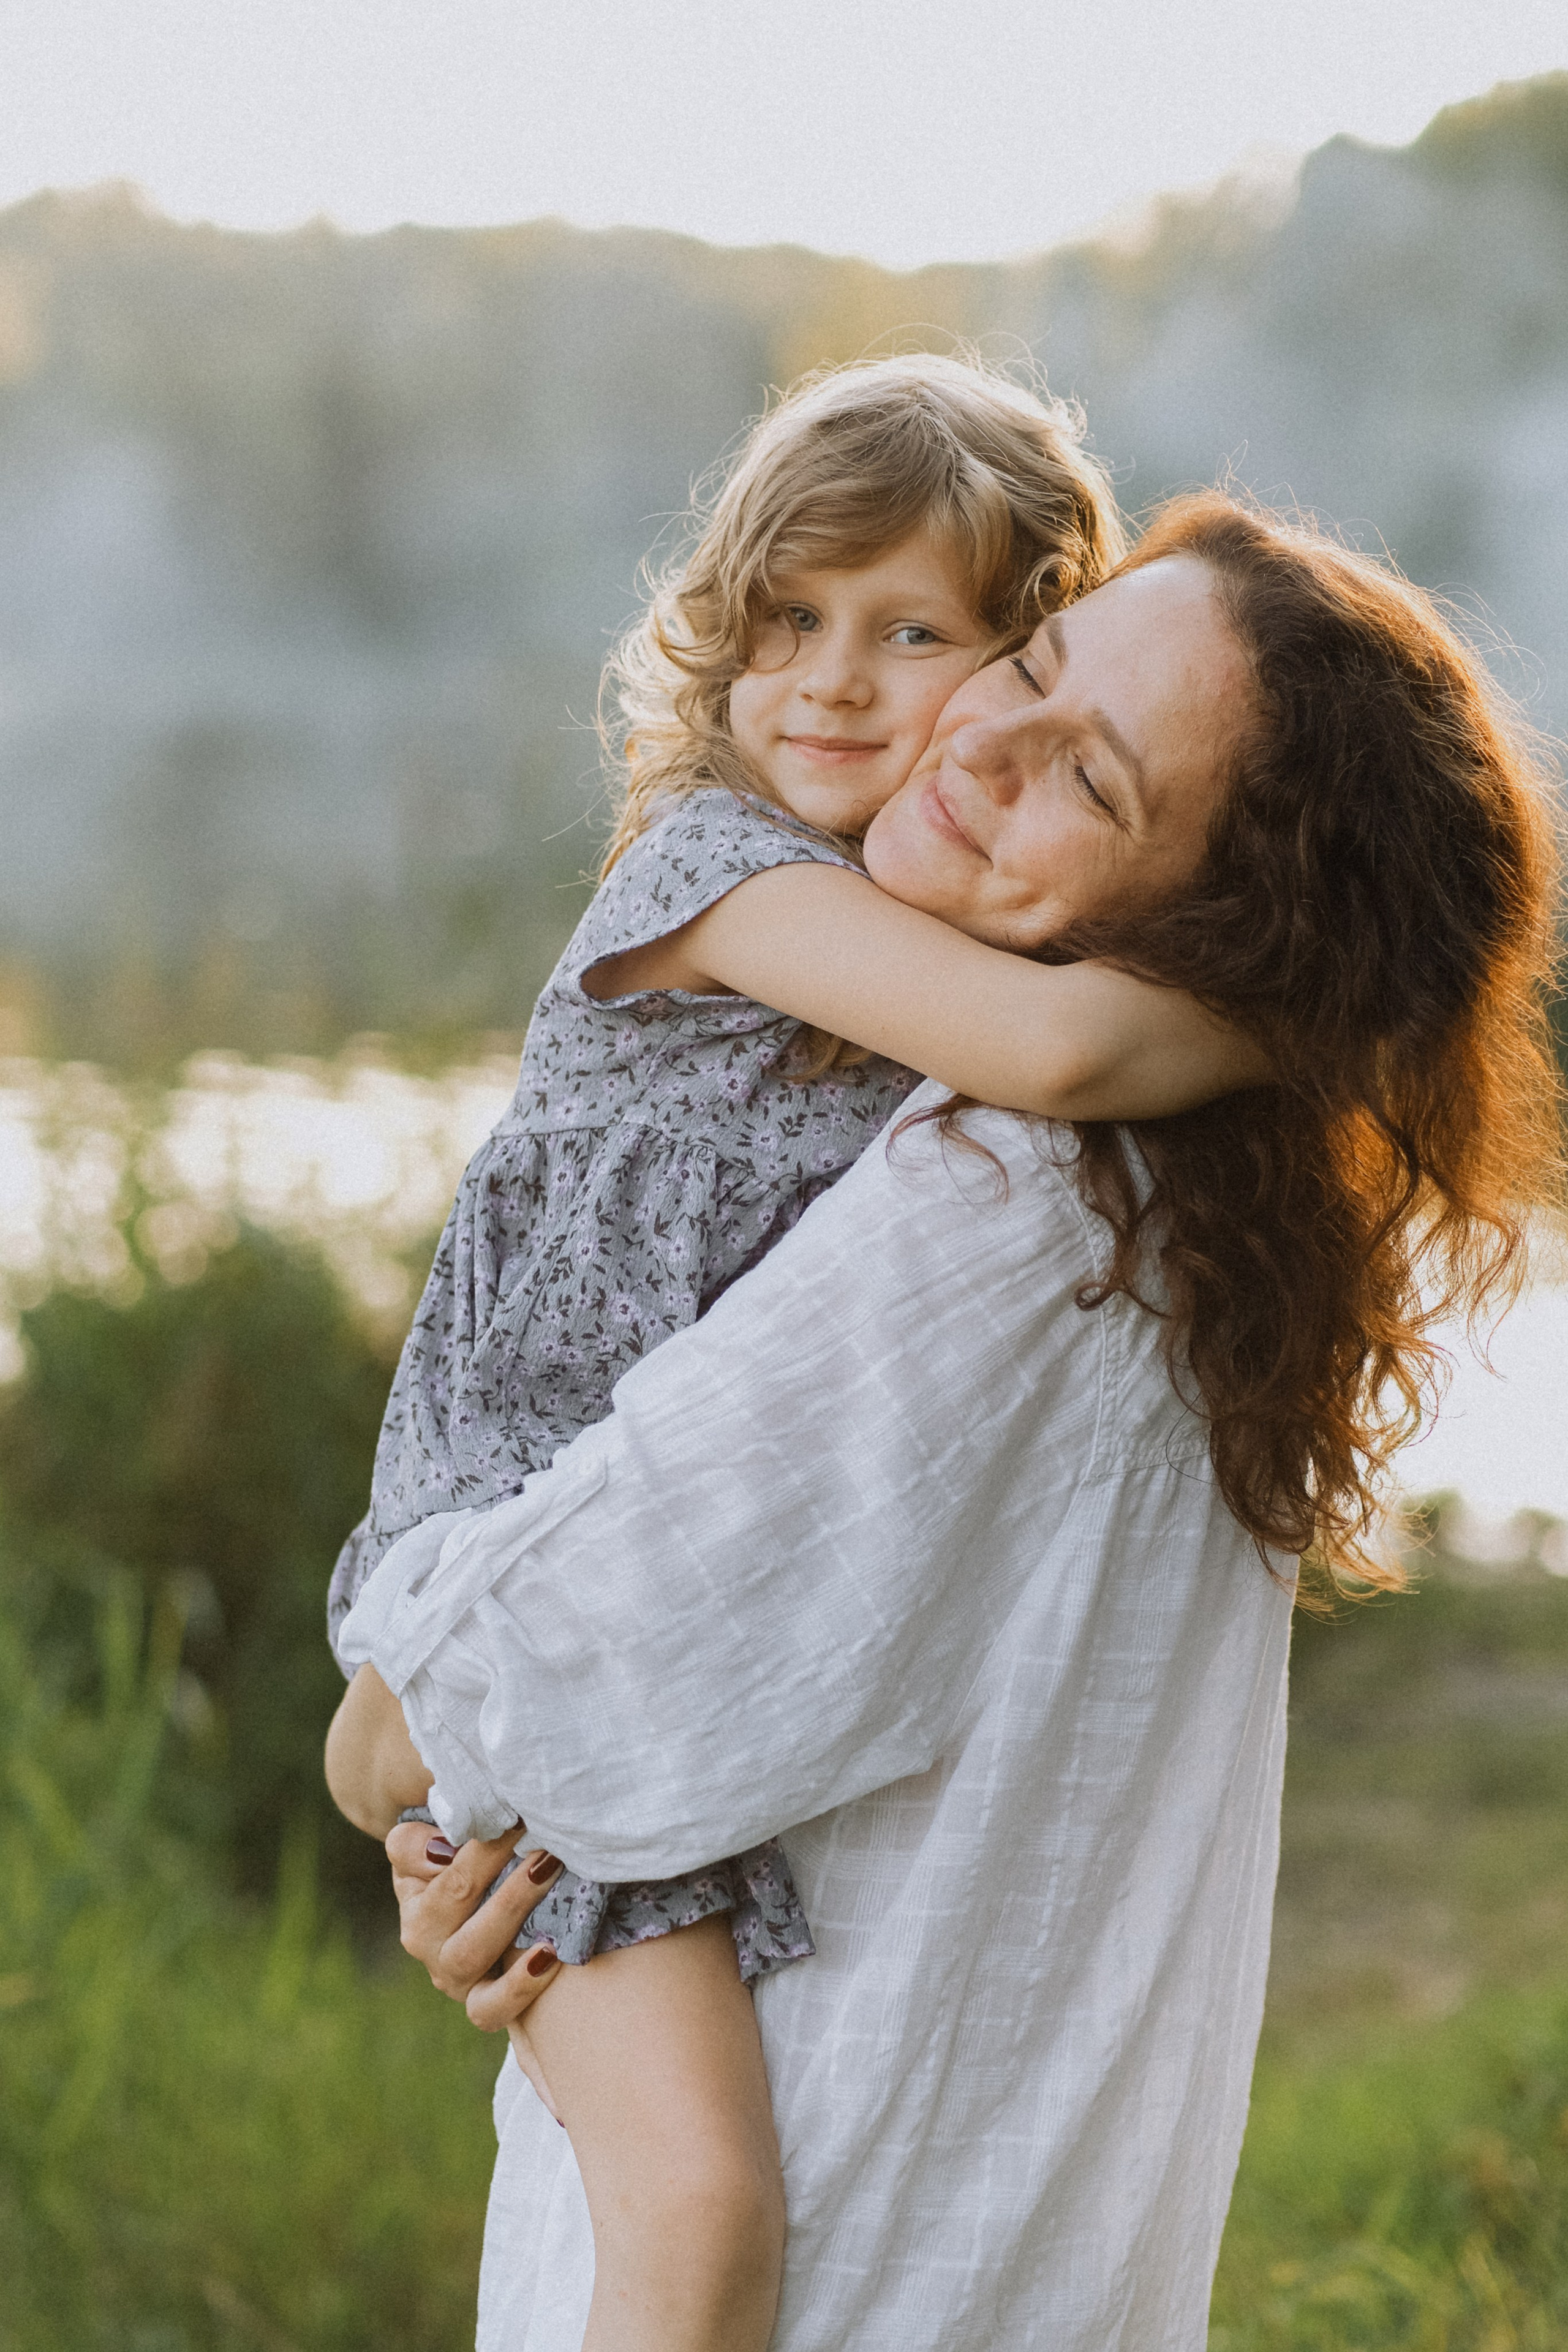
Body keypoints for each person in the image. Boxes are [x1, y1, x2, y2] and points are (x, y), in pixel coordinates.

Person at [330, 492, 1562, 2351]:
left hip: (856, 2268)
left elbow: (498, 1702)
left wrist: (403, 1771)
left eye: (1093, 781)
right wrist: (468, 1829)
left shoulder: (1013, 1204)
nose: (973, 733)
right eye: (1036, 665)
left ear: (1226, 928)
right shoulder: (1198, 1202)